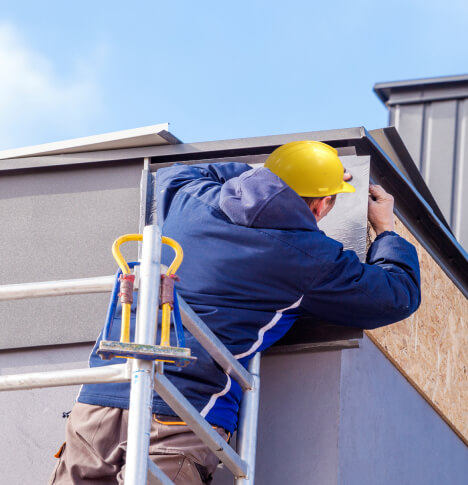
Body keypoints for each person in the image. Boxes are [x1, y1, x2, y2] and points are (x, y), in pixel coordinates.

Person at [50, 140, 421, 484]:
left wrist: (264, 176)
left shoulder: (189, 197)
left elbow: (178, 171)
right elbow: (396, 296)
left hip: (100, 400)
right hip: (183, 416)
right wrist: (386, 229)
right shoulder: (309, 255)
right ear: (321, 204)